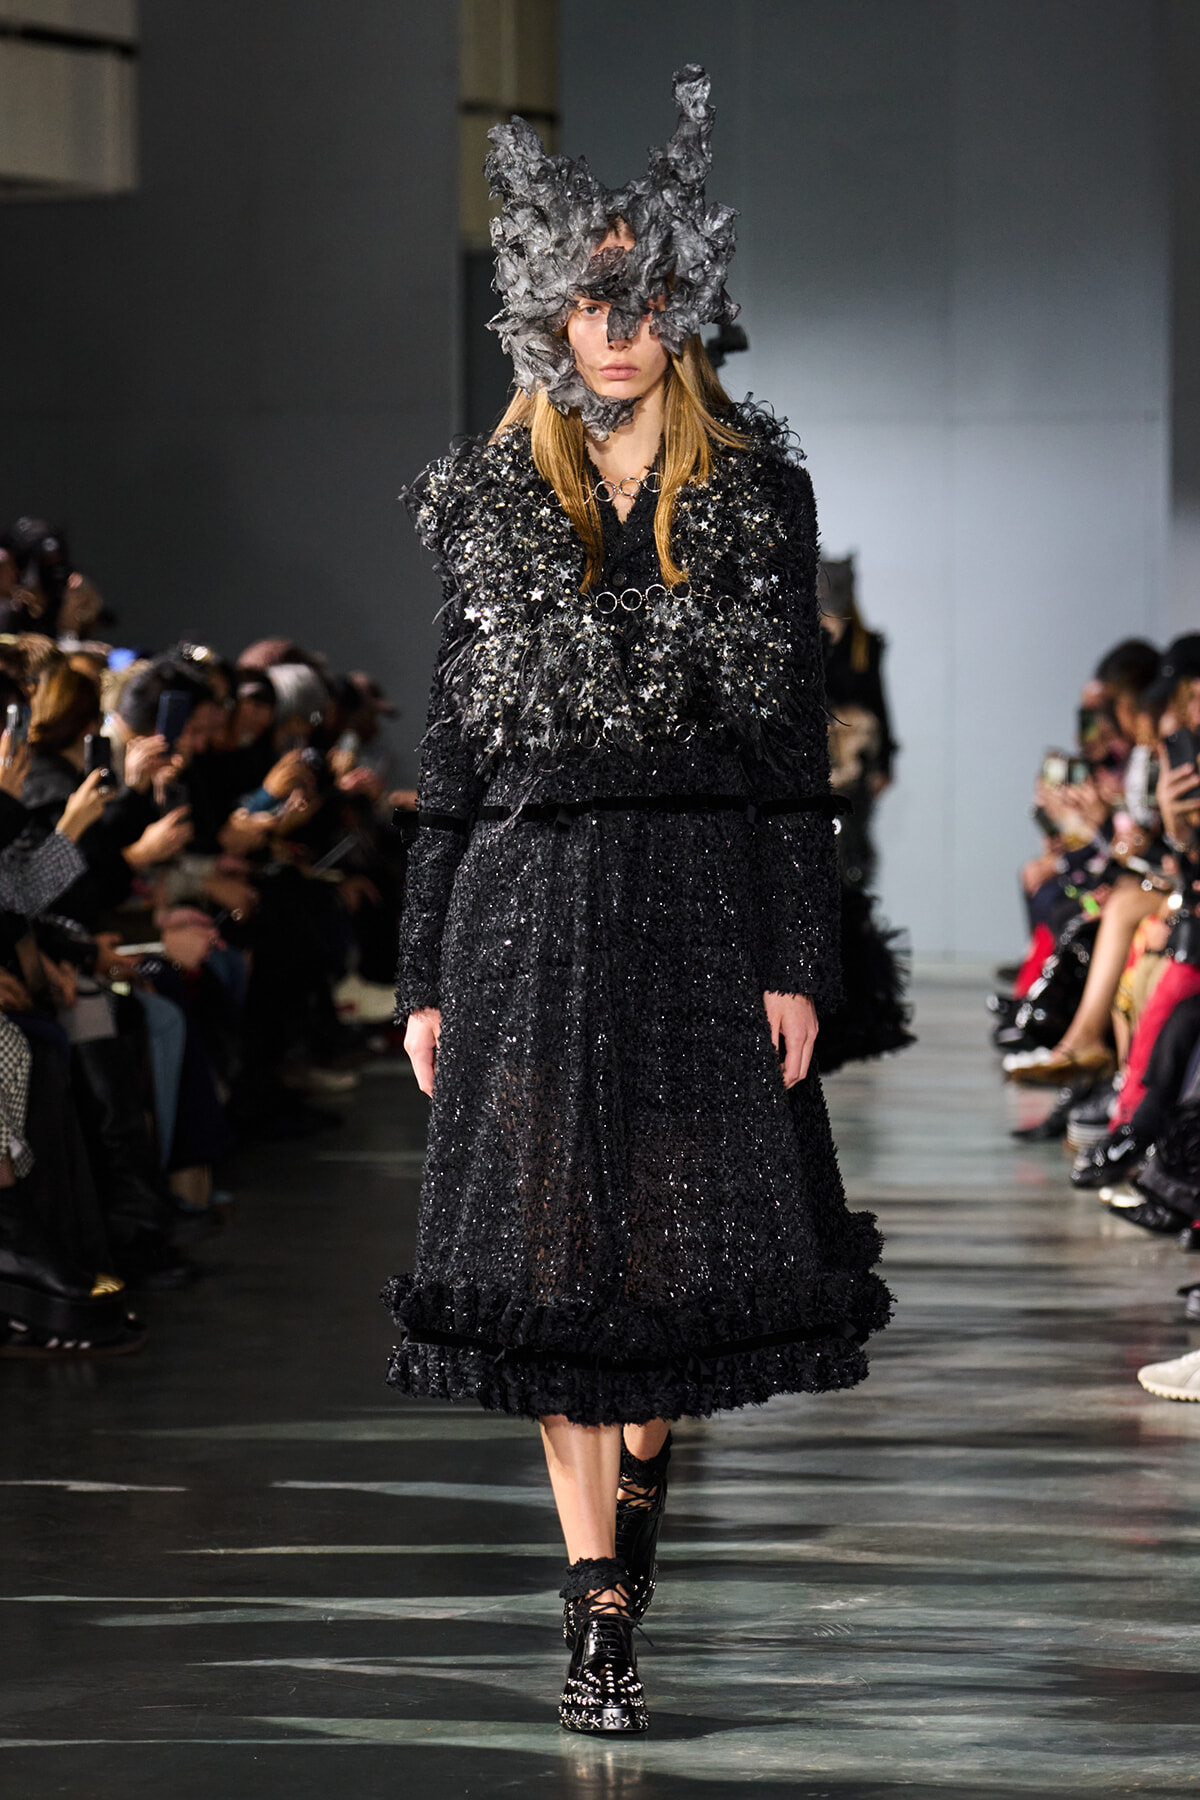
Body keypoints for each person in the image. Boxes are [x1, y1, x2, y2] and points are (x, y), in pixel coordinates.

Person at [384, 67, 891, 1736]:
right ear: (546, 317)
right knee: (547, 1264)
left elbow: (788, 757)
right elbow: (453, 753)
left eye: (646, 296)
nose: (618, 326)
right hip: (523, 908)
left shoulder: (752, 495)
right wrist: (421, 971)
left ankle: (643, 1484)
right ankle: (597, 1606)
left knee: (670, 1261)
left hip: (693, 904)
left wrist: (797, 956)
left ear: (686, 311)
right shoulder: (490, 500)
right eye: (592, 298)